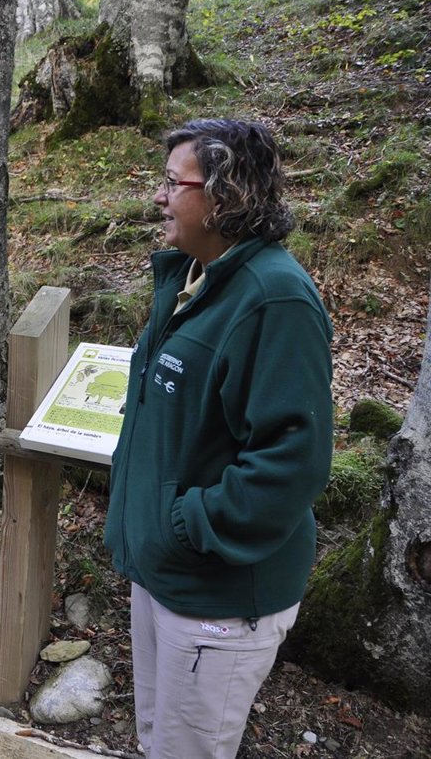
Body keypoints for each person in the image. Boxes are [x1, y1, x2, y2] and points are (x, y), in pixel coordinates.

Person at [106, 120, 333, 759]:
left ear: (226, 196)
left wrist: (187, 524)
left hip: (218, 593)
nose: (158, 197)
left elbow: (292, 460)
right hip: (163, 574)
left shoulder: (274, 299)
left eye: (174, 183)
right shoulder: (191, 280)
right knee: (161, 742)